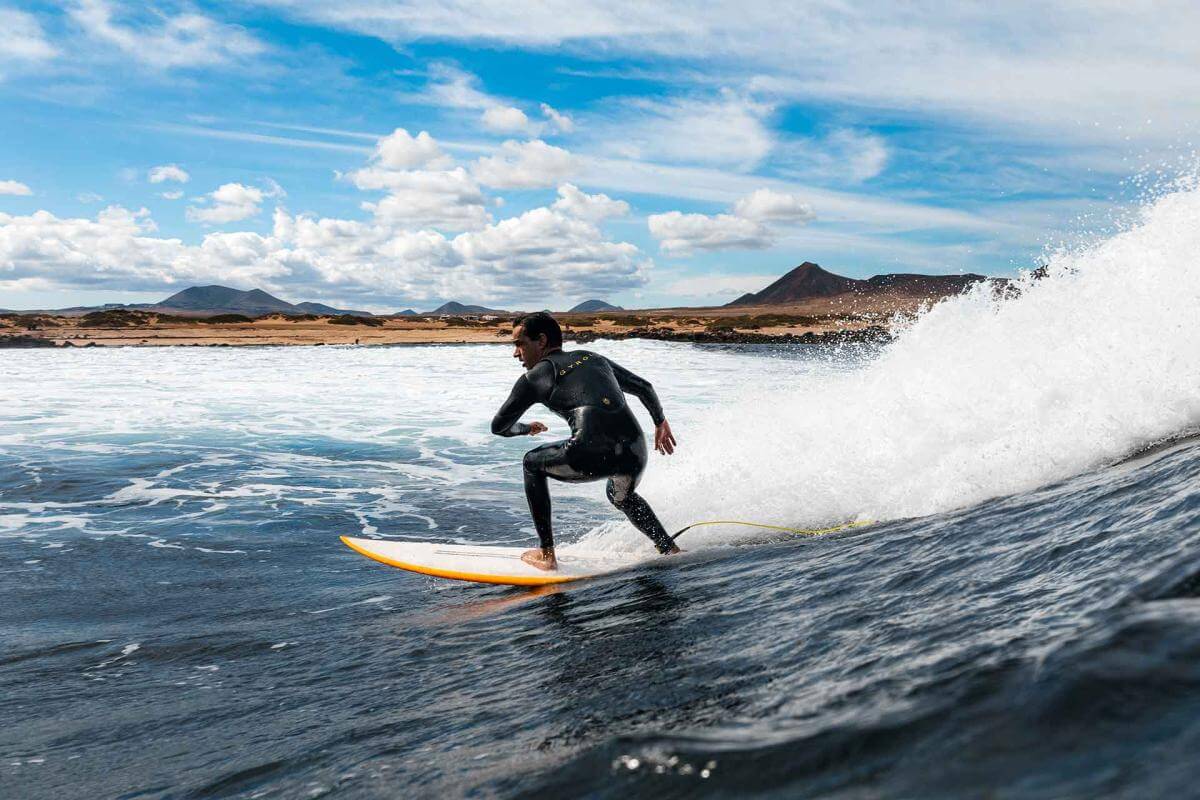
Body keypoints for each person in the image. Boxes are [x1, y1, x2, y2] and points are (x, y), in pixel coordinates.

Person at [491, 311, 681, 570]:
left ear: (542, 341)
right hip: (635, 451)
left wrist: (525, 429)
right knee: (621, 496)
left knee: (531, 463)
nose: (516, 353)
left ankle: (547, 555)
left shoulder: (533, 378)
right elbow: (644, 387)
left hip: (590, 450)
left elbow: (499, 427)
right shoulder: (593, 358)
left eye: (519, 344)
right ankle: (668, 547)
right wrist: (660, 422)